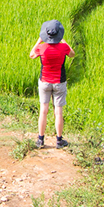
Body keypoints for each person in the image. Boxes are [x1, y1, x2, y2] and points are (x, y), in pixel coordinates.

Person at [29, 19, 74, 149]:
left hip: (44, 82)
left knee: (43, 110)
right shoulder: (63, 47)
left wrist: (39, 40)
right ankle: (59, 140)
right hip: (59, 82)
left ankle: (40, 140)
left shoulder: (41, 48)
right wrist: (64, 41)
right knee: (58, 111)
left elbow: (31, 55)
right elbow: (72, 54)